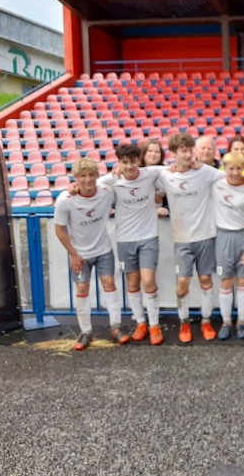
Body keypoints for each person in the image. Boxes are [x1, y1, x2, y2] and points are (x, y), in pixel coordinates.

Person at [156, 133, 244, 344]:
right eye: (182, 151)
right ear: (173, 153)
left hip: (206, 237)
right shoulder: (164, 174)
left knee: (207, 280)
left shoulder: (206, 172)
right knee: (183, 282)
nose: (187, 154)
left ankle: (207, 320)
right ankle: (184, 321)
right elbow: (139, 176)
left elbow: (233, 173)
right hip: (182, 238)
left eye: (189, 150)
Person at [54, 158, 128, 350]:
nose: (87, 179)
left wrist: (120, 167)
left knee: (109, 283)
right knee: (82, 288)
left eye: (91, 175)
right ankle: (86, 331)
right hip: (80, 254)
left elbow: (121, 175)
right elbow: (60, 229)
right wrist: (73, 255)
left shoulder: (106, 191)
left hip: (103, 249)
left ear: (97, 175)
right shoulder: (65, 200)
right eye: (82, 176)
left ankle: (116, 328)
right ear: (76, 178)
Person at [98, 143, 163, 346]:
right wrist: (73, 187)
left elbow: (174, 170)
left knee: (148, 280)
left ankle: (155, 325)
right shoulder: (112, 179)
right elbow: (89, 185)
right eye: (124, 162)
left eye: (133, 161)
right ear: (119, 162)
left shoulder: (151, 173)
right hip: (125, 239)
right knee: (133, 283)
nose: (129, 166)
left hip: (148, 236)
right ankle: (141, 323)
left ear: (139, 160)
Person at [212, 152, 244, 341]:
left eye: (239, 168)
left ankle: (241, 321)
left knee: (243, 280)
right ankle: (226, 322)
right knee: (226, 281)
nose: (235, 172)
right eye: (231, 168)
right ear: (224, 168)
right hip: (223, 235)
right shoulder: (216, 183)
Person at [140, 139, 170, 217]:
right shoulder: (135, 172)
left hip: (162, 217)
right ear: (143, 153)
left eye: (157, 152)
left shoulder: (167, 173)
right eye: (150, 151)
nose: (153, 154)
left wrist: (165, 209)